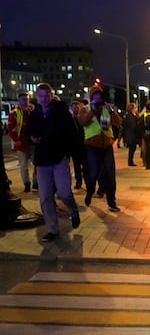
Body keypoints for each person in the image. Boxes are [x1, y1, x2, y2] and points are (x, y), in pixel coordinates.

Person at [28, 83, 81, 242]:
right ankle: (52, 229)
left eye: (47, 96)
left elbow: (72, 132)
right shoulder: (35, 114)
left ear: (51, 96)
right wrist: (32, 138)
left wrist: (67, 152)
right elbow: (30, 131)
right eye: (41, 96)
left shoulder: (61, 112)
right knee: (45, 197)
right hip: (42, 161)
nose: (44, 99)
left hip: (59, 158)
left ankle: (73, 210)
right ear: (37, 97)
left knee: (64, 192)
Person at [78, 85, 122, 212]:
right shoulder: (85, 109)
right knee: (93, 174)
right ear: (91, 97)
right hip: (92, 147)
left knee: (110, 174)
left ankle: (111, 201)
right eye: (95, 96)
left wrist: (111, 111)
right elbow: (82, 122)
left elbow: (118, 122)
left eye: (99, 96)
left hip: (107, 146)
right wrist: (92, 111)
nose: (98, 98)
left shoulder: (106, 109)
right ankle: (90, 191)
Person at [7, 92, 36, 192]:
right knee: (24, 166)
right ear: (19, 100)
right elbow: (11, 129)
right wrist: (16, 140)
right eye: (24, 99)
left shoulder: (31, 111)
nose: (26, 101)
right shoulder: (14, 113)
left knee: (37, 163)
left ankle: (35, 183)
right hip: (22, 143)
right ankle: (27, 184)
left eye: (27, 99)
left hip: (32, 142)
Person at [67, 101, 87, 189]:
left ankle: (87, 180)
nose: (76, 109)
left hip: (83, 145)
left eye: (77, 107)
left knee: (85, 164)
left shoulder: (82, 118)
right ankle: (78, 181)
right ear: (71, 108)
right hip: (74, 146)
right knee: (76, 165)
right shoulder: (70, 119)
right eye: (74, 107)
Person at [122, 103, 142, 167]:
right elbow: (133, 126)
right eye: (135, 108)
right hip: (131, 135)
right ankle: (130, 162)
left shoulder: (128, 115)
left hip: (129, 134)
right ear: (132, 109)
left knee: (132, 148)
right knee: (132, 148)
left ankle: (130, 161)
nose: (136, 109)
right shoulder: (131, 116)